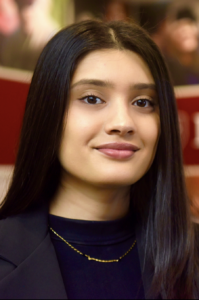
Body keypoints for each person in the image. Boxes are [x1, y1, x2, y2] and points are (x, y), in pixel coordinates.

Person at [0, 20, 198, 299]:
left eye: (142, 102)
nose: (122, 122)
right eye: (92, 98)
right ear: (48, 113)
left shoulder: (191, 253)